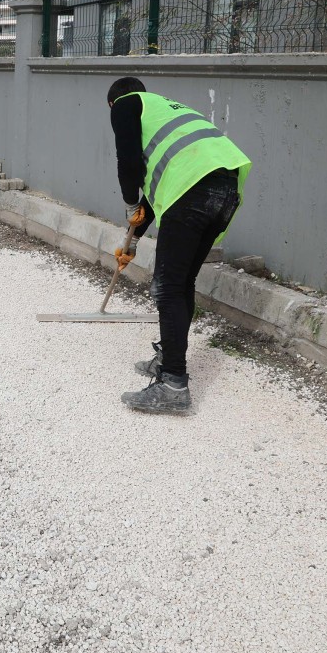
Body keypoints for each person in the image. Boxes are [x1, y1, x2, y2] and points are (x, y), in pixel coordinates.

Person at [108, 77, 252, 414]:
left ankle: (173, 385)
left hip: (192, 192)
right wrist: (133, 240)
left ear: (113, 103)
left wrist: (129, 204)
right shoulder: (165, 110)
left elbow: (128, 163)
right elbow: (160, 192)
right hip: (225, 190)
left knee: (168, 286)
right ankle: (168, 360)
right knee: (182, 281)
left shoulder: (125, 104)